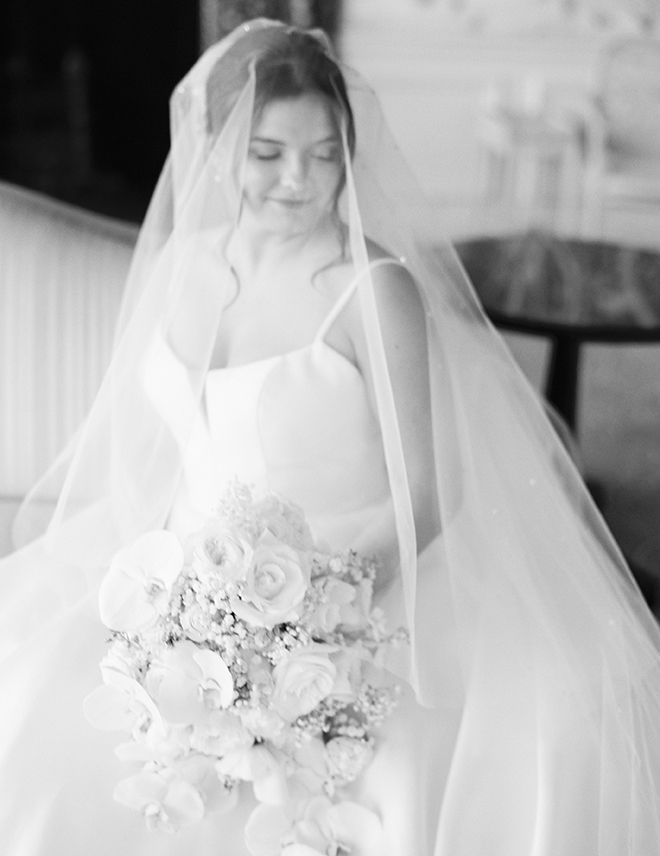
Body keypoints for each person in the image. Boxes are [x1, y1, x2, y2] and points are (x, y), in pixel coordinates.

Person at [2, 17, 660, 856]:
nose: (298, 180)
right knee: (36, 703)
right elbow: (159, 452)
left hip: (359, 590)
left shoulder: (371, 292)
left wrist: (318, 621)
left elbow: (430, 492)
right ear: (220, 146)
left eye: (323, 154)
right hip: (191, 584)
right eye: (269, 152)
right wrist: (165, 604)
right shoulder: (184, 263)